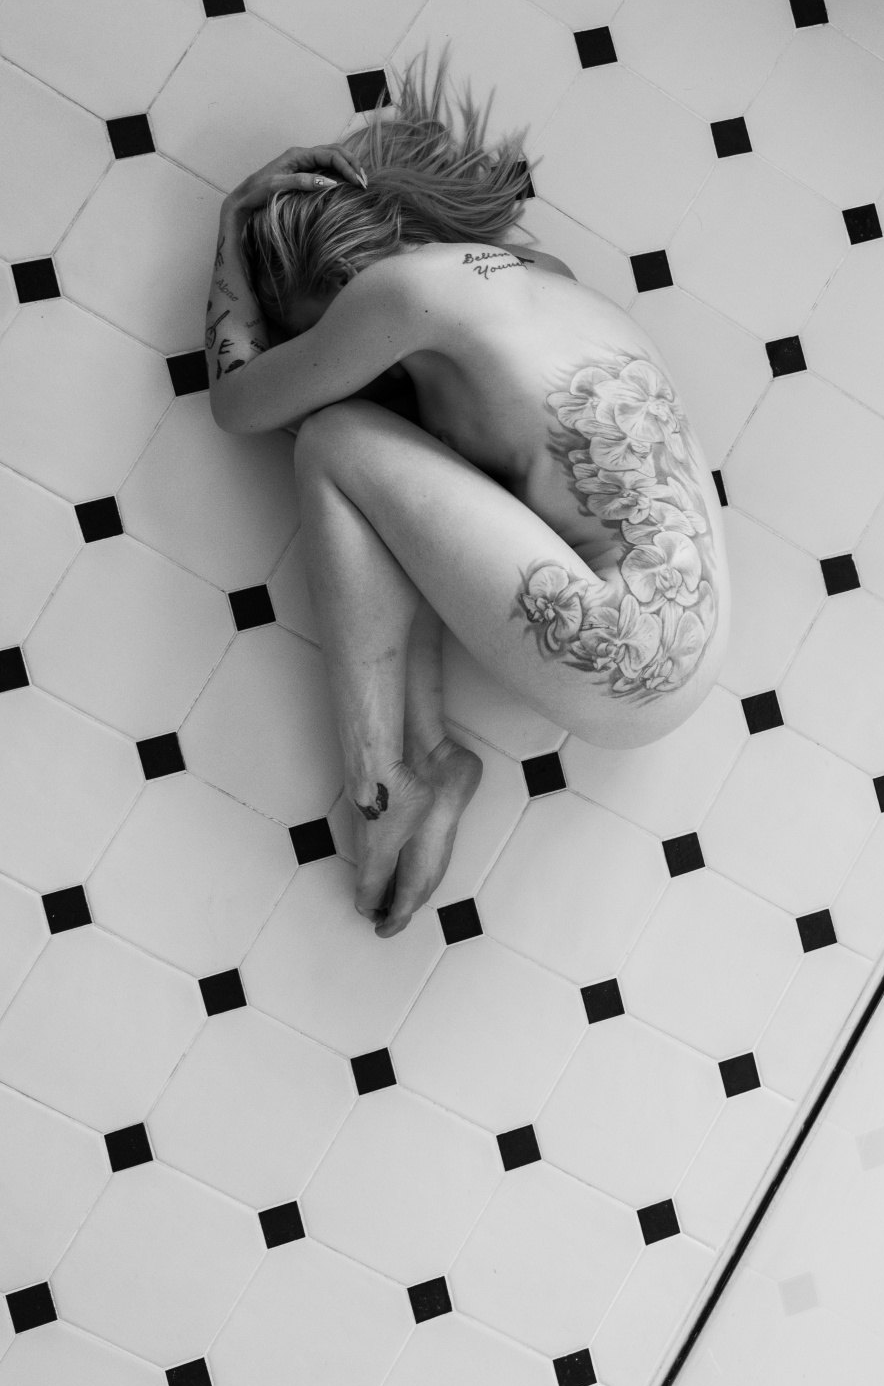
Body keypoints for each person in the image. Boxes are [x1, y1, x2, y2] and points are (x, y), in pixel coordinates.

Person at [205, 52, 730, 938]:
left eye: (313, 340)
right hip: (681, 651)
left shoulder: (396, 292)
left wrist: (231, 225)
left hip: (629, 654)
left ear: (336, 281)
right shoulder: (541, 275)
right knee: (370, 461)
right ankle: (431, 760)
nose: (333, 363)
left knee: (332, 436)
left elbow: (238, 403)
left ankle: (385, 780)